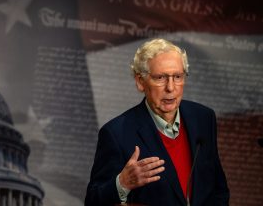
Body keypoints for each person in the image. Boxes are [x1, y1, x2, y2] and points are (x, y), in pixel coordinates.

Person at [85, 38, 229, 206]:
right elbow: (93, 201)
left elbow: (218, 188)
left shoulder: (203, 118)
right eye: (160, 77)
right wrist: (122, 184)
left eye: (177, 76)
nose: (170, 87)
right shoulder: (116, 133)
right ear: (140, 82)